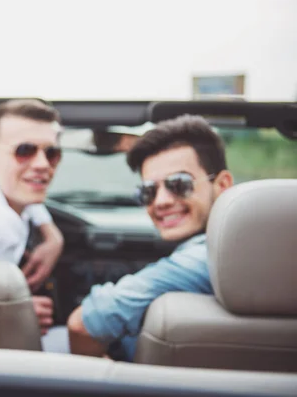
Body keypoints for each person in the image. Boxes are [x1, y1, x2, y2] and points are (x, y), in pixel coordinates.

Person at [67, 114, 233, 361]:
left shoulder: (203, 258)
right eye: (148, 191)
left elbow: (82, 325)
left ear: (222, 184)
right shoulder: (248, 252)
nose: (162, 202)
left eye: (179, 184)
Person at [0, 99, 64, 335]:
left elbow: (31, 200)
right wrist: (15, 312)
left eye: (51, 153)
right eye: (24, 151)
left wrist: (53, 237)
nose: (42, 164)